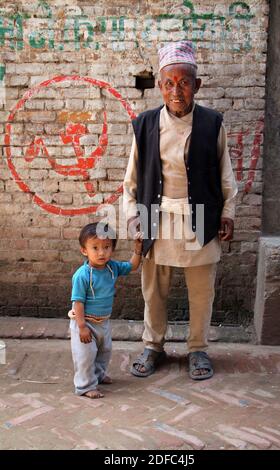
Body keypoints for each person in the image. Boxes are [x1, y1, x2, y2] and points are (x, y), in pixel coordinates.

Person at [123, 41, 238, 380]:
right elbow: (130, 180)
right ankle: (153, 345)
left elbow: (225, 173)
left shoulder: (213, 123)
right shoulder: (144, 125)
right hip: (156, 220)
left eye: (184, 82)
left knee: (202, 292)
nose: (177, 90)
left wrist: (228, 212)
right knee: (153, 290)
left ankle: (198, 349)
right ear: (159, 86)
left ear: (197, 86)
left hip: (199, 219)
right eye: (169, 83)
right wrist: (133, 217)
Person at [69, 222, 143, 398]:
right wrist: (81, 327)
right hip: (85, 322)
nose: (101, 252)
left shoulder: (112, 267)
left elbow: (132, 266)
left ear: (112, 249)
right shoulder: (82, 275)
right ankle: (85, 386)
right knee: (85, 356)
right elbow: (78, 302)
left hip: (103, 321)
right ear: (84, 250)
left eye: (106, 247)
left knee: (104, 352)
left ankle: (98, 375)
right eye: (95, 248)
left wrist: (138, 249)